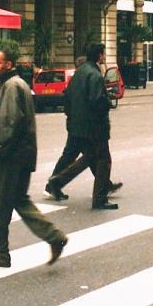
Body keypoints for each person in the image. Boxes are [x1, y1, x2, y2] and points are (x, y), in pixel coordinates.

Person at [0, 49, 68, 268]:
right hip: (23, 156)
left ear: (8, 64)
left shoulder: (11, 87)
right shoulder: (19, 84)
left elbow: (9, 125)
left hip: (10, 157)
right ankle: (54, 237)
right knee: (19, 200)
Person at [44, 43, 120, 210]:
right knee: (103, 159)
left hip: (77, 124)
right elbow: (96, 101)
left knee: (88, 157)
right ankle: (99, 199)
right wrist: (108, 102)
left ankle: (57, 181)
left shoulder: (79, 73)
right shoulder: (95, 74)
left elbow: (67, 98)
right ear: (100, 56)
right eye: (103, 54)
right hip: (94, 126)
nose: (104, 56)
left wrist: (71, 118)